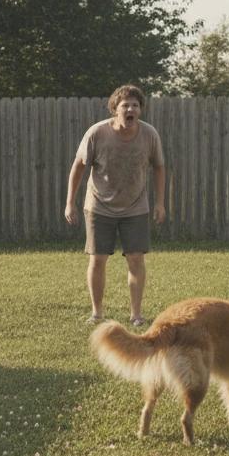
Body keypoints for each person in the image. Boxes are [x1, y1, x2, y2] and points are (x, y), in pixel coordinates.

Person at [64, 84, 166, 326]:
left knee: (135, 259)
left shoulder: (149, 134)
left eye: (135, 105)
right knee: (98, 259)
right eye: (125, 105)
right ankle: (97, 313)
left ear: (140, 110)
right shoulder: (97, 133)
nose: (130, 109)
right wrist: (70, 202)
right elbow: (78, 166)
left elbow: (159, 166)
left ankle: (136, 315)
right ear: (115, 109)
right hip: (99, 205)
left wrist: (160, 202)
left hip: (136, 207)